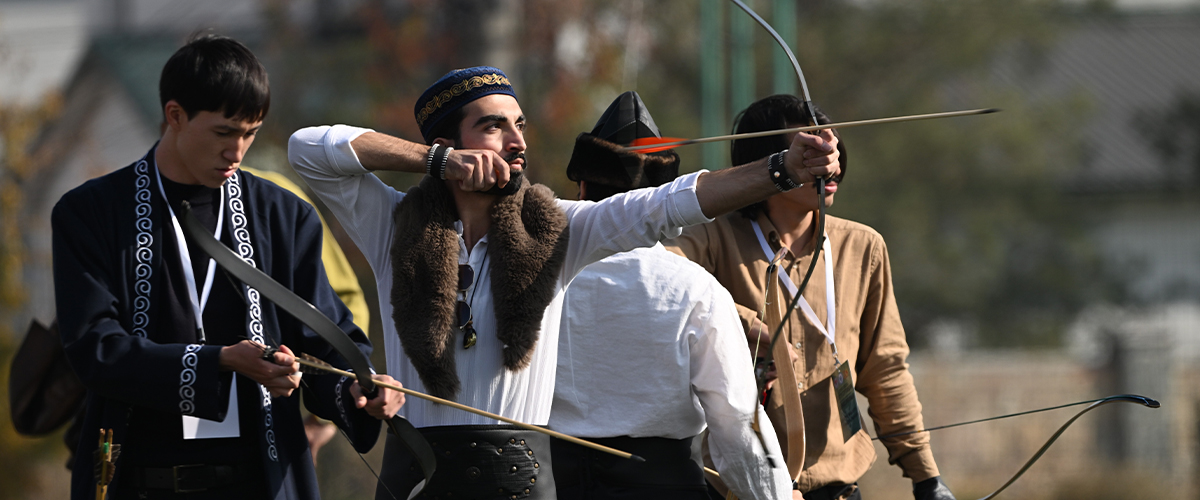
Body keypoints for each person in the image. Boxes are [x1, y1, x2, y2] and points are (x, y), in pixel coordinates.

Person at [287, 66, 840, 500]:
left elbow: (668, 204)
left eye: (519, 124)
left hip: (521, 478)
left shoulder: (558, 227)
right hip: (416, 474)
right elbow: (308, 148)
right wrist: (435, 161)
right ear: (449, 143)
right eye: (492, 125)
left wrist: (781, 170)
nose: (514, 139)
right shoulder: (393, 222)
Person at [51, 35, 403, 500]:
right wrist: (217, 361)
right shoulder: (91, 212)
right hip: (133, 482)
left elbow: (324, 337)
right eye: (223, 132)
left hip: (262, 480)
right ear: (175, 116)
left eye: (250, 133)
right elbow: (96, 348)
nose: (237, 151)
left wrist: (363, 386)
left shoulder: (283, 214)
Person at [666, 94, 956, 500]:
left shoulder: (862, 246)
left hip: (835, 489)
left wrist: (927, 480)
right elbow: (657, 279)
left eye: (832, 148)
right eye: (809, 151)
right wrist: (747, 328)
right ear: (770, 167)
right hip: (738, 489)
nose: (830, 162)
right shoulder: (712, 236)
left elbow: (886, 370)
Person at [548, 91, 792, 500]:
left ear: (582, 188)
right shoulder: (695, 288)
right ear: (662, 198)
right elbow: (736, 422)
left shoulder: (529, 274)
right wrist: (777, 496)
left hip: (547, 484)